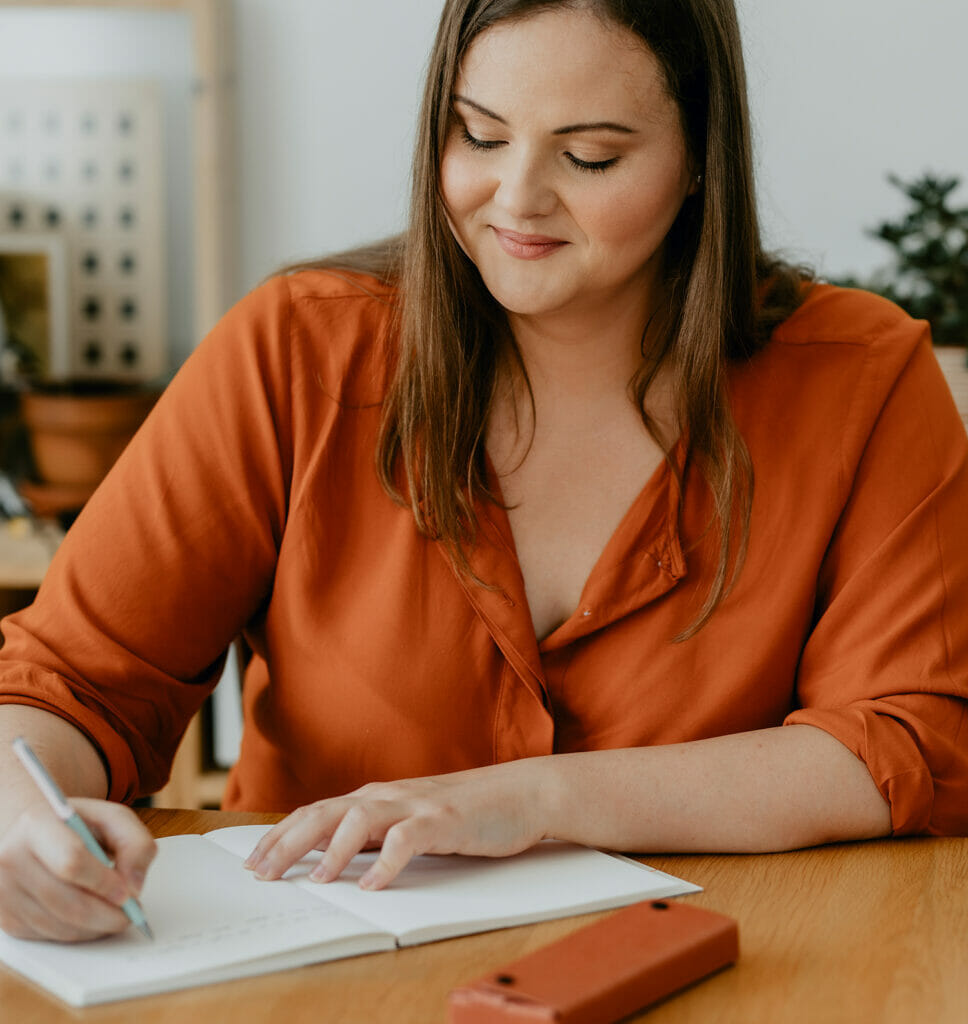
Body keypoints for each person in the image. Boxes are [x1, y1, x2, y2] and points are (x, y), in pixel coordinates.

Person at [1, 0, 966, 943]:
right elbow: (69, 684)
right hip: (313, 985)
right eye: (479, 136)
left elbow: (911, 740)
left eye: (590, 156)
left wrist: (534, 799)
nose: (516, 198)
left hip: (722, 970)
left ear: (702, 157)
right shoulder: (297, 349)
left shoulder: (863, 378)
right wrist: (22, 817)